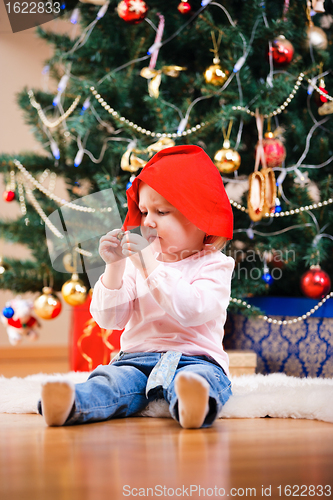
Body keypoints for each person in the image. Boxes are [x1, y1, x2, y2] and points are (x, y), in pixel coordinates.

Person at [38, 145, 235, 429]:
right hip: (136, 359)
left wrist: (149, 267)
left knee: (198, 380)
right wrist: (115, 267)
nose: (149, 221)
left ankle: (194, 402)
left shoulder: (214, 265)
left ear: (200, 218)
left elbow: (192, 310)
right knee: (111, 381)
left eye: (162, 211)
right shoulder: (136, 261)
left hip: (194, 359)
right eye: (143, 212)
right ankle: (71, 402)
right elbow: (110, 320)